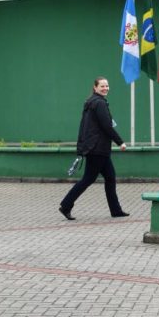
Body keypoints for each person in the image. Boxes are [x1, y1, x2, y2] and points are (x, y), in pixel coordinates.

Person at [59, 77, 129, 221]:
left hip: (95, 148)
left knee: (110, 177)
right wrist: (120, 142)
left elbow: (85, 127)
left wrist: (82, 146)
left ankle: (116, 210)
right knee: (88, 179)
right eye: (102, 86)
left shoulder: (91, 102)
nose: (105, 88)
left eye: (107, 86)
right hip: (98, 148)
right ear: (95, 87)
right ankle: (66, 205)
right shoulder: (99, 103)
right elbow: (107, 126)